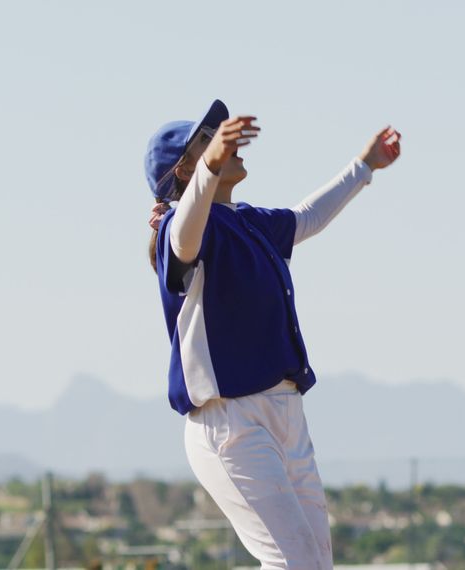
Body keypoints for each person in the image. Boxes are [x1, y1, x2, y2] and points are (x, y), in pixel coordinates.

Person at [144, 99, 401, 569]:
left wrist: (364, 166)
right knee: (295, 564)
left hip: (286, 414)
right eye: (208, 139)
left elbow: (308, 217)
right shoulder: (177, 231)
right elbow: (184, 235)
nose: (225, 140)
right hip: (231, 423)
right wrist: (209, 169)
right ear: (184, 170)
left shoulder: (249, 221)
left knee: (315, 564)